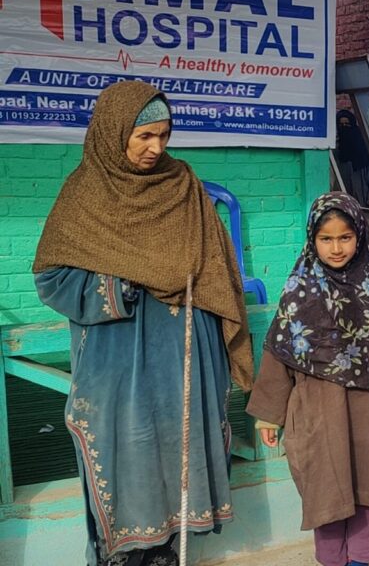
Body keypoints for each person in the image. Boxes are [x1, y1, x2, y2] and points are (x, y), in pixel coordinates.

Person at [33, 80, 254, 566]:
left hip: (184, 348)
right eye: (145, 136)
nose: (156, 147)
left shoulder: (183, 185)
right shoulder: (85, 194)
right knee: (126, 456)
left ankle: (168, 554)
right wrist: (122, 284)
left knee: (182, 452)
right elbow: (52, 278)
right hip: (119, 360)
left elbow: (216, 263)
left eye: (164, 135)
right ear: (115, 133)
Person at [246, 192, 369, 566]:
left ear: (360, 235)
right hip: (317, 408)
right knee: (324, 483)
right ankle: (331, 559)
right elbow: (279, 352)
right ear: (312, 239)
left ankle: (363, 557)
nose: (336, 248)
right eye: (326, 239)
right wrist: (270, 416)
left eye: (345, 237)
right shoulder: (299, 290)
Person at [333, 109, 369, 208]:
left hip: (363, 198)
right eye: (341, 125)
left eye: (347, 124)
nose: (344, 128)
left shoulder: (363, 148)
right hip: (343, 198)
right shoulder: (337, 150)